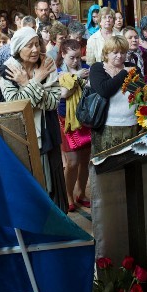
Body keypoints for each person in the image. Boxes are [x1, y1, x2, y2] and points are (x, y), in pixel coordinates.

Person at [0, 28, 67, 211]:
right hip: (21, 134)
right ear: (18, 48)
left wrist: (26, 85)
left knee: (51, 184)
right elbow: (15, 104)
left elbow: (53, 102)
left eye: (37, 44)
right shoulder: (8, 69)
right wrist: (36, 81)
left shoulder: (47, 62)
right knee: (29, 183)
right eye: (29, 46)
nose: (35, 49)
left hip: (47, 132)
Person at [89, 36, 139, 261]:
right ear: (106, 53)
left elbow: (141, 94)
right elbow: (104, 91)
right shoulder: (98, 69)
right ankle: (109, 225)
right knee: (108, 180)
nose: (119, 56)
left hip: (130, 129)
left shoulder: (133, 68)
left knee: (128, 178)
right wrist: (124, 74)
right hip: (107, 132)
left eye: (122, 52)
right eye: (115, 52)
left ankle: (128, 221)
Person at [57, 40, 91, 213]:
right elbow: (63, 93)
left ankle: (81, 193)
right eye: (72, 57)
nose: (76, 61)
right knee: (72, 161)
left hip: (84, 117)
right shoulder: (57, 71)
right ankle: (68, 195)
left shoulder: (85, 68)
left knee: (85, 160)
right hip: (67, 120)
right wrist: (77, 77)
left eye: (78, 57)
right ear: (63, 54)